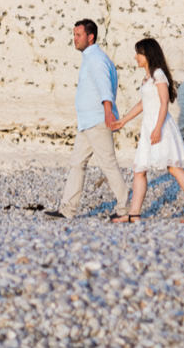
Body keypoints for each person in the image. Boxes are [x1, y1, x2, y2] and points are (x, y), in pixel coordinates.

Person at [111, 37, 184, 222]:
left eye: (139, 53)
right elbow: (143, 104)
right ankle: (134, 214)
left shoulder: (159, 75)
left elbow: (164, 103)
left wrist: (157, 128)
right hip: (149, 126)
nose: (136, 57)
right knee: (140, 170)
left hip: (160, 126)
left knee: (174, 168)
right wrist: (123, 121)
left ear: (148, 55)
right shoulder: (147, 78)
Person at [45, 19, 130, 220]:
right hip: (87, 123)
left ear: (90, 37)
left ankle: (126, 209)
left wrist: (108, 113)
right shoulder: (92, 58)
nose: (74, 39)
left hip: (98, 121)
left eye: (78, 35)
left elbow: (105, 88)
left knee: (108, 164)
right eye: (74, 35)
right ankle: (67, 210)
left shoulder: (96, 59)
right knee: (77, 163)